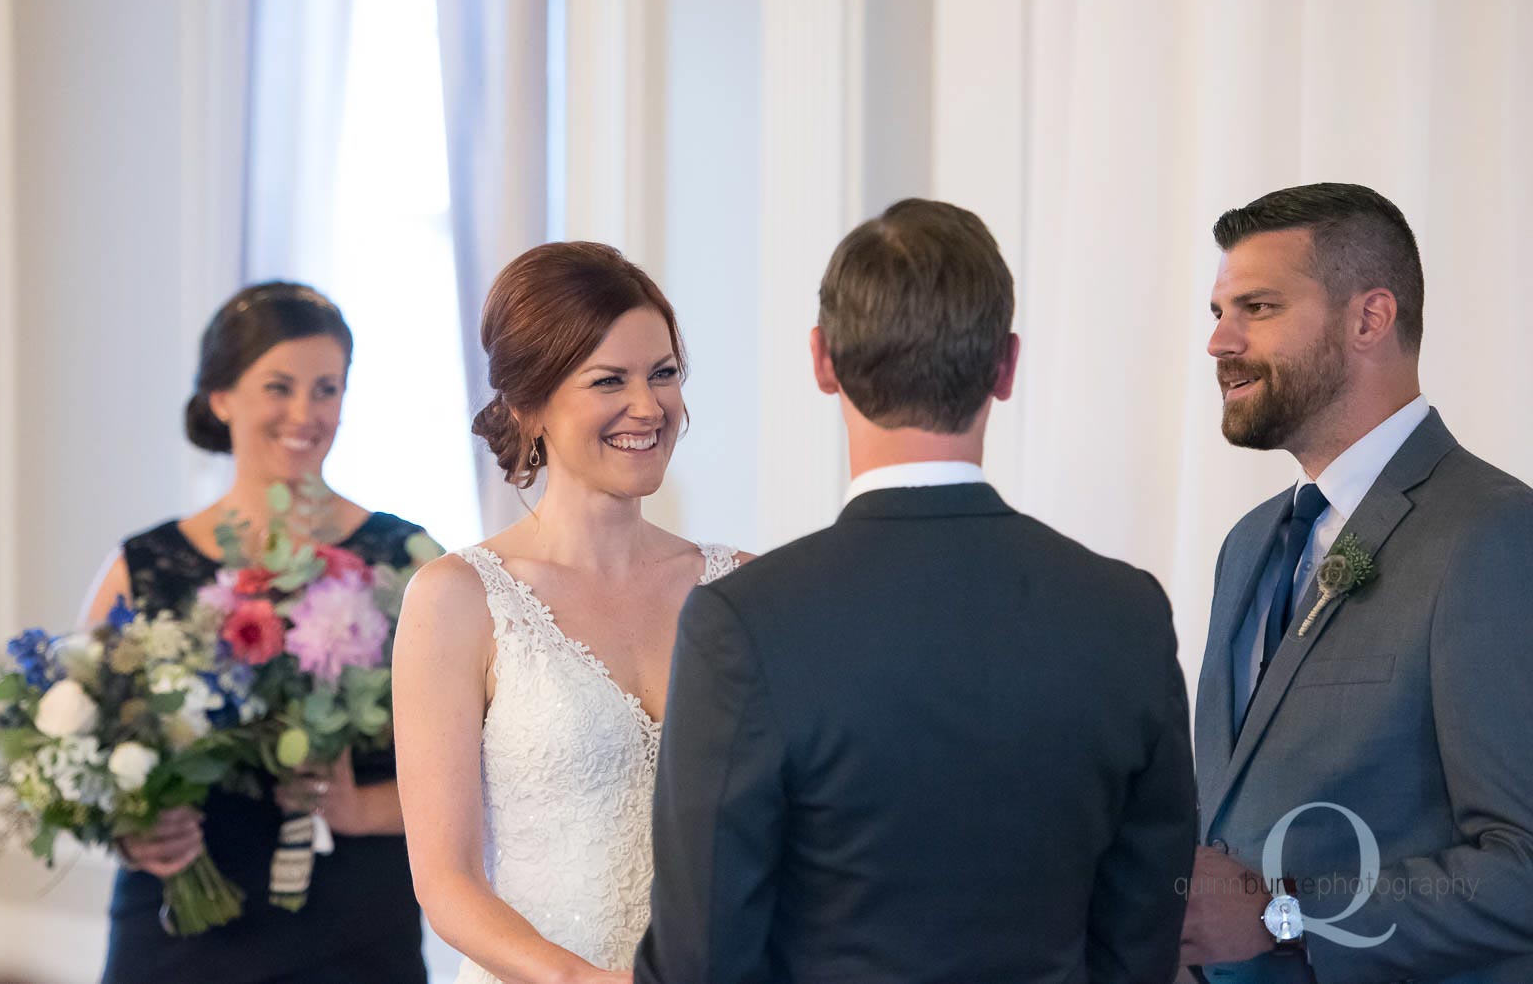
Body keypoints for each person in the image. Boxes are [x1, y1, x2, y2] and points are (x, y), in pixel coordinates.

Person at [636, 199, 1198, 984]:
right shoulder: (1127, 612)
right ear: (1005, 366)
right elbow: (1144, 930)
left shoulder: (747, 621)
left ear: (822, 359)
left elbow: (702, 959)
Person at [1184, 184, 1533, 983]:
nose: (1220, 343)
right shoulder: (1248, 545)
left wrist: (1286, 914)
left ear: (1370, 319)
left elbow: (1524, 864)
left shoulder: (1492, 534)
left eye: (1259, 308)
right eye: (1217, 313)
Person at [392, 242, 749, 984]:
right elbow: (447, 883)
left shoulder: (740, 588)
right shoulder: (458, 599)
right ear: (529, 405)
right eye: (609, 380)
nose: (648, 407)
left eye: (664, 374)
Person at [85, 281, 441, 984]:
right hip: (181, 930)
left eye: (327, 388)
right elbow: (82, 758)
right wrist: (133, 830)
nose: (306, 413)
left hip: (355, 929)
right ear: (222, 397)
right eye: (279, 386)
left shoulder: (409, 561)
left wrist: (360, 807)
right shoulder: (145, 567)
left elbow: (481, 767)